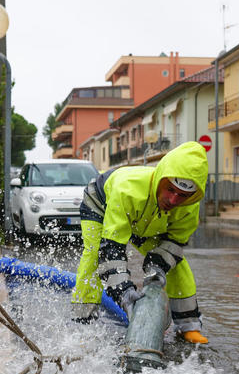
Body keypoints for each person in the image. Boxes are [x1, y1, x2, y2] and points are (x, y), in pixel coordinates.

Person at [71, 141, 210, 344]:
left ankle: (188, 325)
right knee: (94, 255)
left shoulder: (189, 209)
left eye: (182, 195)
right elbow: (111, 250)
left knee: (178, 266)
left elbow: (173, 244)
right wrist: (124, 292)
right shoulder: (127, 189)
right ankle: (82, 317)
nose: (173, 200)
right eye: (170, 189)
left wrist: (157, 268)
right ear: (161, 179)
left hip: (146, 221)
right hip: (101, 204)